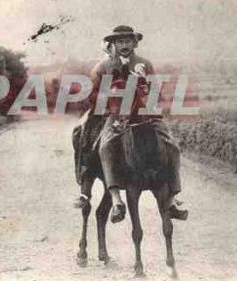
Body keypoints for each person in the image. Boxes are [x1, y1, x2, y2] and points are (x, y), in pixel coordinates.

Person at [73, 25, 187, 223]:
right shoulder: (102, 67)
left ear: (134, 43)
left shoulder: (145, 64)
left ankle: (171, 198)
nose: (124, 45)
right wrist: (109, 102)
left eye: (127, 41)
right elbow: (91, 96)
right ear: (113, 44)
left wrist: (144, 88)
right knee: (106, 146)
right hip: (116, 115)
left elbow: (156, 93)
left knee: (172, 146)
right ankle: (116, 199)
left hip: (145, 115)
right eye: (119, 41)